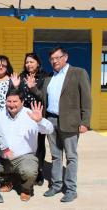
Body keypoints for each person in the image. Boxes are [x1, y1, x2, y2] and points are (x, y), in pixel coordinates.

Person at [43, 46, 91, 202]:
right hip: (51, 120)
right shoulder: (51, 77)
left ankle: (70, 189)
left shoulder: (78, 73)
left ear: (65, 57)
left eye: (57, 58)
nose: (54, 61)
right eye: (52, 59)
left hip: (70, 122)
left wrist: (85, 122)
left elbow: (86, 99)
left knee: (71, 157)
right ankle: (56, 185)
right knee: (56, 157)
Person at [0, 89, 53, 201]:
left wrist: (40, 120)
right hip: (3, 157)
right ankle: (6, 181)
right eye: (9, 101)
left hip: (24, 157)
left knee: (29, 172)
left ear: (22, 102)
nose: (11, 104)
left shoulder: (31, 115)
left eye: (15, 101)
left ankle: (26, 189)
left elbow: (49, 129)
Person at [16, 53, 48, 186]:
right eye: (27, 62)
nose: (29, 64)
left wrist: (32, 88)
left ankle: (39, 170)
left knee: (39, 144)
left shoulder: (45, 77)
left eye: (32, 62)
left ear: (38, 63)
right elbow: (17, 95)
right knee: (25, 142)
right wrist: (16, 86)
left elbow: (44, 97)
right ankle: (24, 169)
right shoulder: (21, 77)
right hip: (23, 115)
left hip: (38, 115)